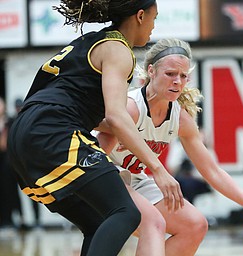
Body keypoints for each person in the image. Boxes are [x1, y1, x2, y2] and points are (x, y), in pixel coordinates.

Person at [7, 1, 184, 256]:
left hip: (26, 134)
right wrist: (158, 169)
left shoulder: (91, 41)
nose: (154, 28)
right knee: (126, 212)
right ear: (140, 15)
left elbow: (97, 116)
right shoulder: (118, 49)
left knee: (98, 222)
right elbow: (115, 117)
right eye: (154, 19)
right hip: (52, 129)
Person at [96, 38, 243, 256]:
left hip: (134, 180)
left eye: (183, 76)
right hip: (102, 176)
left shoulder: (181, 119)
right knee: (154, 223)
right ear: (151, 71)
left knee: (195, 225)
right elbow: (96, 153)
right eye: (170, 74)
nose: (177, 81)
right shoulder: (130, 107)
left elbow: (212, 170)